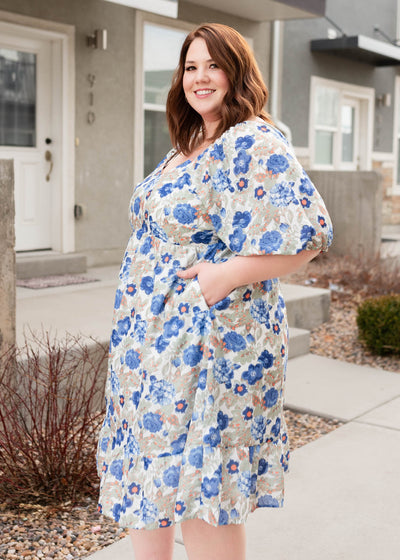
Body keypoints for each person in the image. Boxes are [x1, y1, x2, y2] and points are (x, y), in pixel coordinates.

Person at [96, 22, 333, 560]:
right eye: (190, 67)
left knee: (202, 485)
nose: (200, 78)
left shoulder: (250, 138)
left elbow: (309, 234)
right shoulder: (188, 143)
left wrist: (221, 277)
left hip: (205, 340)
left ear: (237, 71)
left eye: (213, 65)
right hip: (148, 341)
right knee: (148, 471)